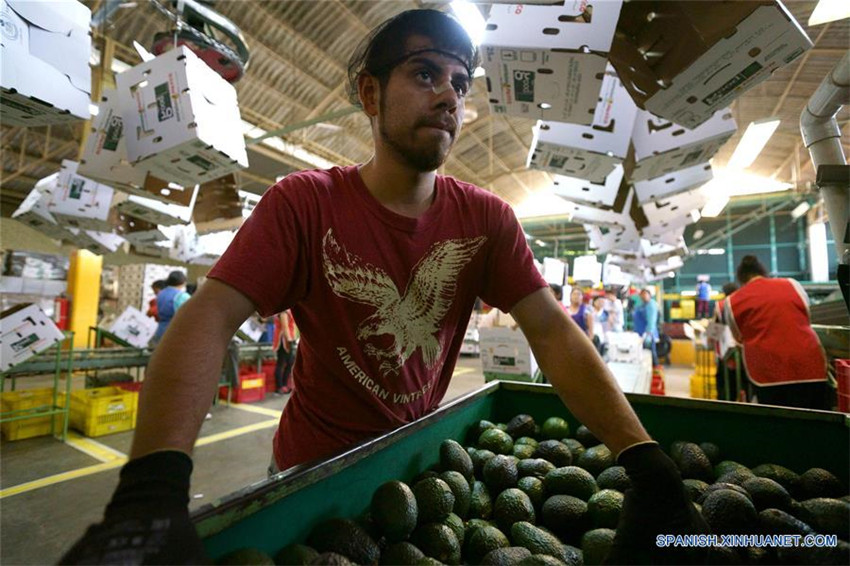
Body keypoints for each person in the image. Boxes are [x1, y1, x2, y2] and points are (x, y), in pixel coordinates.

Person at [62, 10, 706, 564]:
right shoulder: (304, 204)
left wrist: (643, 459)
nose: (450, 96)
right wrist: (150, 490)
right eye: (425, 73)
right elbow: (209, 318)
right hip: (309, 477)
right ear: (371, 95)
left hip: (415, 466)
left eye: (460, 82)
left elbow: (552, 331)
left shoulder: (486, 220)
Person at [725, 255, 827, 409]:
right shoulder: (792, 284)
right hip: (809, 364)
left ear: (741, 278)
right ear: (763, 271)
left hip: (768, 373)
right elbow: (806, 317)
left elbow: (738, 337)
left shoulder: (733, 301)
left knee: (778, 425)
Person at [710, 282, 740, 401]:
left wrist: (708, 341)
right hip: (744, 353)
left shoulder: (721, 306)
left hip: (727, 353)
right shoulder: (744, 303)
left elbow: (714, 332)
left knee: (725, 385)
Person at [148, 271, 191, 347]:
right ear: (183, 282)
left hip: (160, 331)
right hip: (175, 333)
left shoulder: (161, 293)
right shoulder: (182, 296)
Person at [633, 288, 660, 366]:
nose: (643, 296)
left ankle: (655, 371)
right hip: (640, 334)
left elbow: (651, 320)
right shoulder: (642, 305)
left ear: (650, 295)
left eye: (645, 294)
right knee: (644, 355)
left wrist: (648, 334)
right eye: (642, 294)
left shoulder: (651, 305)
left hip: (647, 335)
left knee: (650, 354)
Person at [274, 309, 298, 394]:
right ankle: (280, 386)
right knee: (281, 363)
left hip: (288, 340)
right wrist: (290, 340)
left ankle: (284, 384)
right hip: (283, 341)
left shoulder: (289, 311)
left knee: (290, 362)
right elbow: (285, 327)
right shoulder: (283, 312)